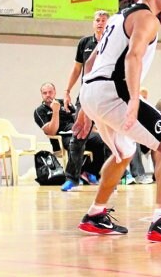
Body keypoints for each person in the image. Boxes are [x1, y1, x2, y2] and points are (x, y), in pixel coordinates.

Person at [73, 0, 161, 243]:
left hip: (93, 91)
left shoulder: (119, 18)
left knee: (124, 152)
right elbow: (133, 58)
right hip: (114, 92)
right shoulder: (147, 17)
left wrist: (86, 106)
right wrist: (133, 99)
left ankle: (95, 214)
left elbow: (93, 61)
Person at [60, 11, 110, 191]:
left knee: (110, 138)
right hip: (87, 95)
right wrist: (67, 91)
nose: (100, 23)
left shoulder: (113, 43)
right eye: (97, 20)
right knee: (78, 135)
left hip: (106, 95)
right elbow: (76, 70)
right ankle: (72, 178)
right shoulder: (84, 43)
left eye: (104, 21)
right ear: (93, 23)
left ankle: (108, 179)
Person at [33, 82, 108, 190]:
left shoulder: (64, 103)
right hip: (63, 138)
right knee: (75, 143)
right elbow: (51, 132)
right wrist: (55, 111)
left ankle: (89, 171)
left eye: (50, 92)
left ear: (55, 92)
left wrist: (95, 129)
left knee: (103, 141)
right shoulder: (40, 111)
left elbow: (78, 118)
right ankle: (72, 178)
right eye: (45, 93)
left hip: (77, 131)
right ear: (41, 94)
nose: (48, 95)